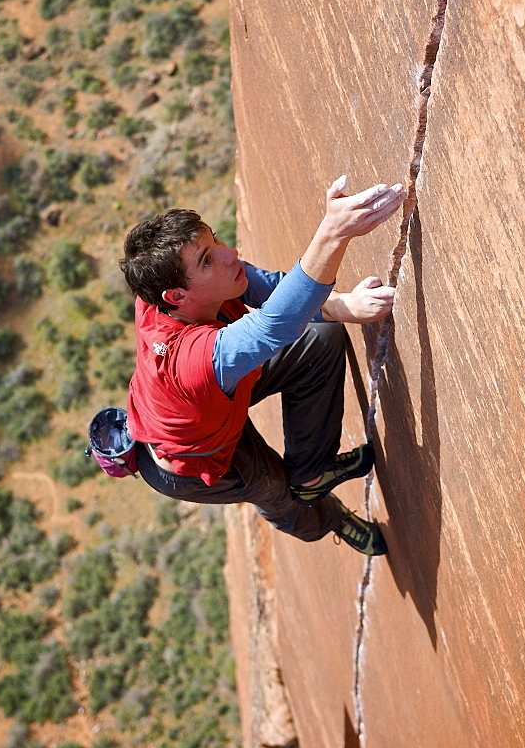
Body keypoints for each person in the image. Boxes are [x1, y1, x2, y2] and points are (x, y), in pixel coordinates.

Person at [119, 175, 406, 556]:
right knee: (277, 492)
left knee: (320, 338)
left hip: (207, 401)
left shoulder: (167, 292)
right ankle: (330, 519)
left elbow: (270, 290)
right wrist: (332, 234)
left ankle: (312, 473)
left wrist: (340, 306)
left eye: (215, 240)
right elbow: (274, 324)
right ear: (178, 296)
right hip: (192, 457)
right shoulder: (189, 359)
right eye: (207, 260)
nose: (229, 253)